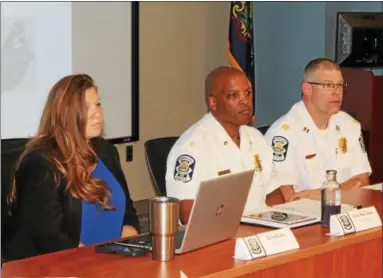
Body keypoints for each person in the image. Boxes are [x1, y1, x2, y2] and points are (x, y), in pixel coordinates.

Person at [4, 74, 140, 260]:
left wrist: (130, 236)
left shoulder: (106, 151)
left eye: (98, 105)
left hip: (108, 259)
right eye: (85, 107)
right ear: (64, 114)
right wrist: (94, 259)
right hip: (57, 265)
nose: (97, 114)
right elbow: (49, 238)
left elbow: (128, 211)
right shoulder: (40, 164)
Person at [165, 66, 278, 224]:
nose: (244, 101)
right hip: (219, 236)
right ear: (213, 103)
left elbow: (274, 193)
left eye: (248, 93)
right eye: (233, 95)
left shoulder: (256, 137)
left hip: (261, 230)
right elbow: (186, 215)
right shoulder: (192, 147)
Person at [265, 58, 372, 202]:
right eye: (328, 85)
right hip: (305, 217)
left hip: (346, 211)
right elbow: (287, 198)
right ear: (307, 89)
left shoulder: (349, 125)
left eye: (340, 85)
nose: (337, 92)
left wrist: (318, 194)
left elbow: (362, 181)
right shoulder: (283, 134)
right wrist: (338, 192)